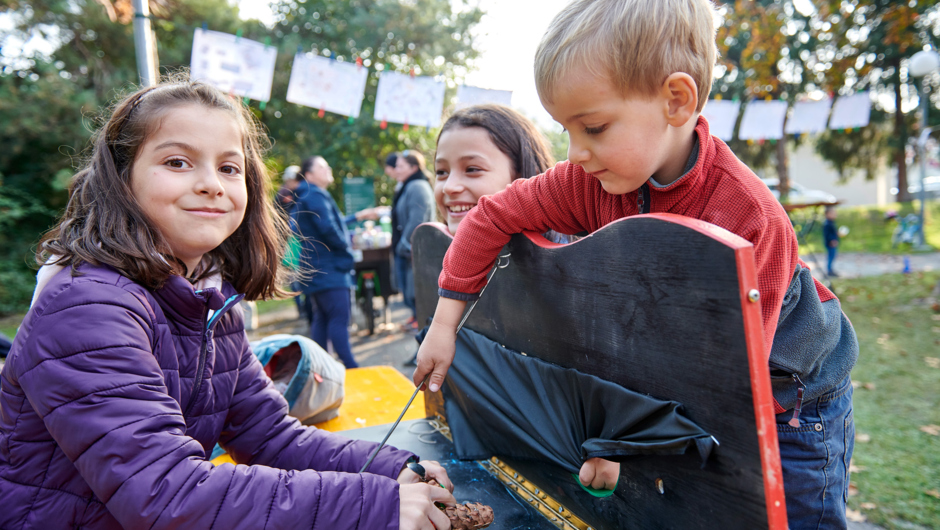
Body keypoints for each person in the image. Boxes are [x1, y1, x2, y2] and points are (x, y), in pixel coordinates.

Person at [414, 0, 859, 526]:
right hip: (687, 376)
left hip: (791, 404)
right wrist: (445, 325)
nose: (575, 151)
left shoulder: (748, 216)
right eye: (567, 129)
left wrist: (620, 444)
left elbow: (723, 387)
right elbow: (491, 216)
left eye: (594, 127)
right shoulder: (588, 180)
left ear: (675, 100)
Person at [0, 78, 455, 530]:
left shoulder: (208, 301)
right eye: (177, 162)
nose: (211, 185)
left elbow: (271, 437)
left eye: (229, 168)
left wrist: (390, 468)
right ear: (121, 179)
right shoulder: (85, 306)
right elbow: (167, 494)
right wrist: (373, 505)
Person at [434, 104, 555, 235]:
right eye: (442, 172)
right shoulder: (428, 251)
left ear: (525, 180)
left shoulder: (569, 253)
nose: (449, 187)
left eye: (472, 169)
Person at [292, 155, 360, 369]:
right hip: (328, 268)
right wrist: (346, 251)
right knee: (339, 317)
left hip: (317, 269)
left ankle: (322, 367)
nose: (328, 168)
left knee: (323, 317)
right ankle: (350, 366)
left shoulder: (308, 194)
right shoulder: (314, 195)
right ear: (309, 174)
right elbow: (328, 229)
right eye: (322, 166)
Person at [392, 150, 435, 329]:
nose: (397, 170)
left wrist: (404, 244)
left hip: (414, 252)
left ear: (414, 167)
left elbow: (418, 218)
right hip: (409, 252)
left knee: (420, 303)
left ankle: (422, 354)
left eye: (401, 166)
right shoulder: (407, 185)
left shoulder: (417, 186)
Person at [823, 205, 840, 277]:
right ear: (827, 214)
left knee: (832, 256)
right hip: (830, 243)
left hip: (832, 243)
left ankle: (831, 269)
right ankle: (829, 270)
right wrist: (832, 240)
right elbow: (828, 234)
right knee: (831, 256)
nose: (834, 215)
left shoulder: (831, 222)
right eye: (832, 213)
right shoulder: (827, 224)